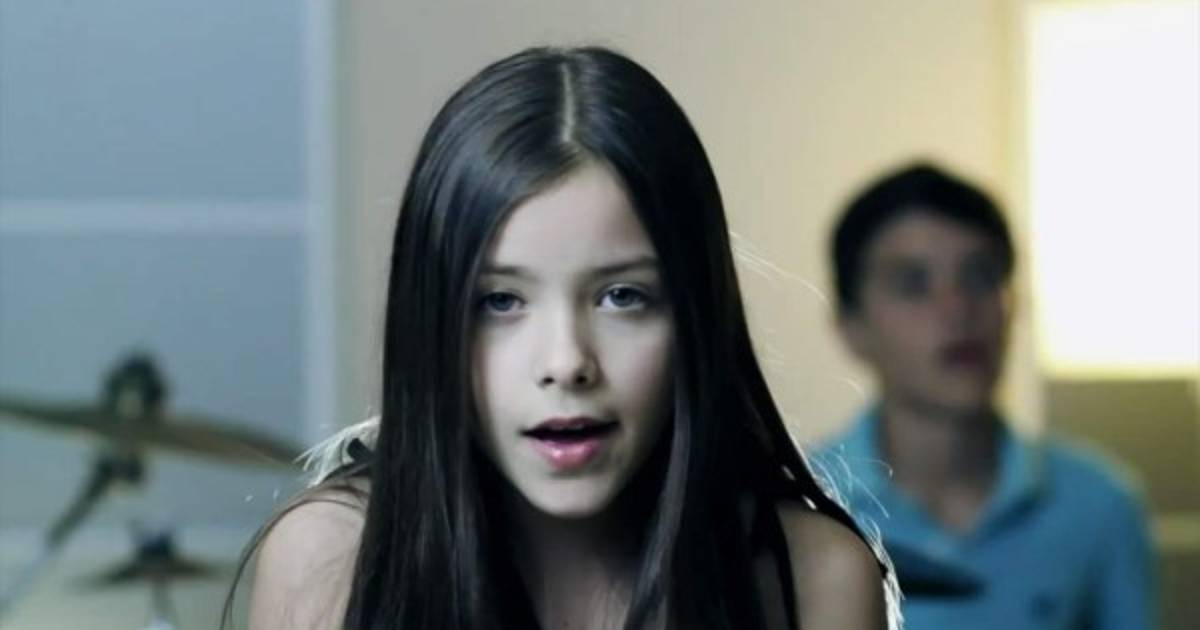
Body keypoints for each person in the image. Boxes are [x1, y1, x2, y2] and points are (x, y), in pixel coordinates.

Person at [223, 47, 897, 630]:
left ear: (696, 317)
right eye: (500, 301)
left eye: (622, 297)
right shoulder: (332, 559)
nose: (567, 362)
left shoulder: (815, 579)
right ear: (430, 325)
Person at [813, 162, 1154, 630]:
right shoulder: (801, 505)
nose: (957, 309)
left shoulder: (1097, 505)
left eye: (979, 276)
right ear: (850, 325)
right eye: (913, 284)